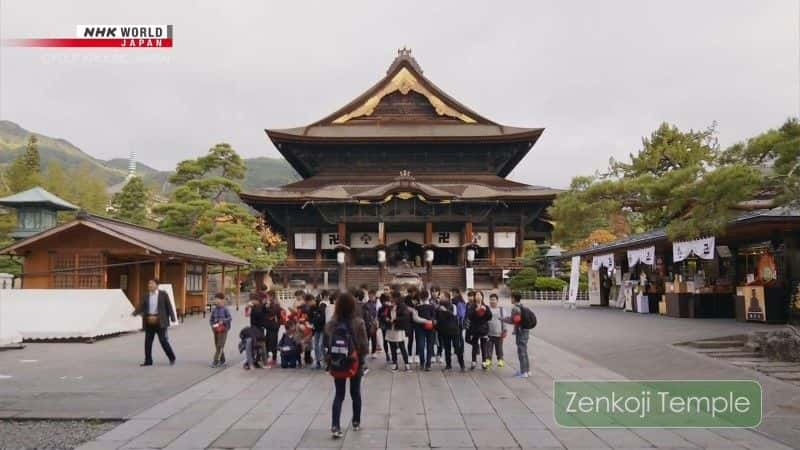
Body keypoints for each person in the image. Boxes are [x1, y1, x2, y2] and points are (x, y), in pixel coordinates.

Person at [325, 292, 368, 439]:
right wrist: (361, 359)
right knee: (355, 393)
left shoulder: (332, 323)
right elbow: (364, 345)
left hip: (338, 361)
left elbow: (327, 343)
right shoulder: (358, 322)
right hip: (354, 360)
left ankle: (335, 425)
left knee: (339, 394)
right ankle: (356, 422)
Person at [133, 279, 177, 366]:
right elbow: (141, 306)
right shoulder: (146, 295)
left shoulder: (163, 294)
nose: (149, 285)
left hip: (160, 321)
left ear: (157, 285)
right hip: (149, 321)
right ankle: (148, 361)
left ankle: (172, 357)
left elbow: (169, 305)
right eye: (149, 284)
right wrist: (134, 313)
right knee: (148, 342)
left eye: (152, 284)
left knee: (163, 340)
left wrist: (172, 317)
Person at [501, 292, 533, 378]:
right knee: (524, 351)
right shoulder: (522, 306)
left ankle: (523, 372)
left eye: (511, 298)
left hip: (520, 332)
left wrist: (502, 319)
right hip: (526, 330)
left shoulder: (515, 308)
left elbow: (513, 320)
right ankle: (527, 370)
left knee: (521, 351)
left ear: (514, 298)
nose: (510, 299)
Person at [436, 292, 465, 371]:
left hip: (454, 331)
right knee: (447, 349)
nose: (440, 298)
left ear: (447, 298)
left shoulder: (453, 306)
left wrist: (445, 310)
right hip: (444, 331)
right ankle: (448, 365)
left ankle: (462, 364)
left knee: (457, 348)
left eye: (441, 296)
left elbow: (454, 315)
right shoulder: (438, 307)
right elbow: (437, 318)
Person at [385, 291, 411, 372]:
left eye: (392, 297)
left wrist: (396, 319)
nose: (391, 299)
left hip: (399, 328)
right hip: (391, 328)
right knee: (392, 346)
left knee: (402, 346)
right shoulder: (390, 306)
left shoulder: (402, 306)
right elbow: (386, 315)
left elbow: (406, 317)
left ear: (397, 298)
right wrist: (387, 319)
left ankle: (406, 364)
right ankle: (395, 364)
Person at [466, 290, 492, 370]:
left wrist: (485, 311)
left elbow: (489, 317)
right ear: (475, 297)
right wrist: (476, 311)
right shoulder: (472, 307)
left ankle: (484, 362)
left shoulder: (486, 306)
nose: (478, 296)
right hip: (474, 328)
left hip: (483, 329)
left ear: (482, 297)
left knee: (483, 346)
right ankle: (473, 361)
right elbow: (469, 316)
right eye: (477, 295)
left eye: (479, 295)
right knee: (474, 345)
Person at [414, 289, 436, 371]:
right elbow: (434, 317)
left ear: (420, 297)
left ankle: (422, 363)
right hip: (430, 328)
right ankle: (428, 364)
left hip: (419, 329)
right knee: (429, 346)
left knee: (421, 346)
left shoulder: (417, 307)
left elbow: (414, 319)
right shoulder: (432, 306)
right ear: (428, 297)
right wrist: (430, 321)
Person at [209, 292, 232, 368]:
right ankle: (223, 360)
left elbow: (230, 318)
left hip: (223, 329)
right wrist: (212, 326)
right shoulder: (214, 309)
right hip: (216, 329)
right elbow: (211, 319)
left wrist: (223, 321)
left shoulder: (225, 309)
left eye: (217, 299)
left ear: (222, 300)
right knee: (217, 345)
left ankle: (216, 361)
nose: (215, 301)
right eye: (215, 299)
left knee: (220, 345)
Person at [245, 294, 268, 369]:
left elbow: (262, 316)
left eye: (252, 300)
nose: (251, 301)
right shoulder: (253, 307)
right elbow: (247, 315)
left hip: (260, 329)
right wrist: (247, 308)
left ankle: (262, 362)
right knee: (252, 345)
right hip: (253, 329)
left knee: (261, 345)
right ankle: (252, 362)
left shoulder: (262, 307)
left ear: (257, 300)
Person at [483, 293, 506, 369]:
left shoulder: (501, 309)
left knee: (499, 348)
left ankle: (500, 359)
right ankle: (488, 360)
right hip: (489, 333)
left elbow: (504, 321)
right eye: (491, 300)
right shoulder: (487, 309)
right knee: (488, 348)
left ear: (497, 300)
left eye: (494, 300)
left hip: (499, 333)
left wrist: (504, 330)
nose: (492, 301)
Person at [309, 294, 328, 369]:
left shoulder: (323, 306)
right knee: (316, 345)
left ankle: (325, 360)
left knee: (320, 345)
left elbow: (323, 318)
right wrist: (312, 323)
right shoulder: (313, 308)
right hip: (316, 328)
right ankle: (318, 361)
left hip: (322, 328)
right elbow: (310, 317)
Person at [364, 289, 380, 359]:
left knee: (374, 338)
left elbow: (378, 313)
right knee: (367, 338)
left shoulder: (378, 304)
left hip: (374, 323)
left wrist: (377, 321)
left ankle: (374, 352)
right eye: (370, 296)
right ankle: (366, 351)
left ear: (375, 296)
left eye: (372, 296)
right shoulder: (366, 304)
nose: (371, 297)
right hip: (368, 323)